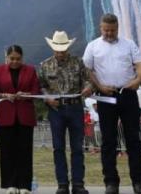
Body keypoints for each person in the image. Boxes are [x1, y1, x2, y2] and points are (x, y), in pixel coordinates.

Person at [82, 14, 141, 194]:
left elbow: (140, 65)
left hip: (127, 94)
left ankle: (139, 183)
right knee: (108, 141)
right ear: (100, 28)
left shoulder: (129, 44)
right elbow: (86, 70)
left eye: (112, 30)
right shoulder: (93, 46)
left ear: (117, 28)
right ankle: (111, 182)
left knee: (133, 140)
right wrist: (99, 86)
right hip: (105, 95)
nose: (109, 33)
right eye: (106, 30)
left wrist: (138, 80)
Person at [40, 31, 93, 194]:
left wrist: (87, 88)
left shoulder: (79, 62)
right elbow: (41, 87)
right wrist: (47, 98)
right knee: (58, 147)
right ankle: (62, 184)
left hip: (75, 106)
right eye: (57, 49)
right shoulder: (45, 65)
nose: (60, 52)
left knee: (77, 147)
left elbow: (88, 80)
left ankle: (78, 184)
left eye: (63, 49)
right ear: (53, 48)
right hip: (56, 109)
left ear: (68, 48)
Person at [0, 45, 41, 194]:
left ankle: (25, 185)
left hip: (25, 115)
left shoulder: (31, 70)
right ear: (6, 57)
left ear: (22, 58)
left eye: (18, 59)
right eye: (11, 58)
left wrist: (25, 94)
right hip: (6, 115)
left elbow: (36, 90)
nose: (14, 61)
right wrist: (4, 95)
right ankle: (10, 184)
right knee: (7, 151)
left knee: (25, 151)